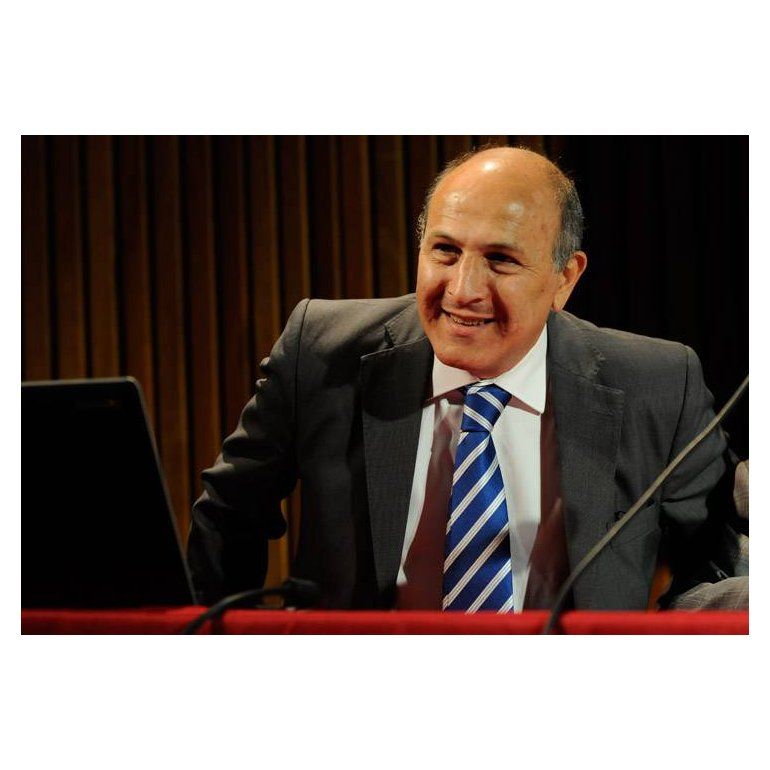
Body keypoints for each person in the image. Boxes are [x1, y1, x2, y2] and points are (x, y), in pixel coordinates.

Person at [187, 146, 740, 611]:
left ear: (564, 278)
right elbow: (227, 519)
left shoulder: (658, 384)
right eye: (445, 251)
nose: (462, 290)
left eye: (500, 260)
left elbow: (713, 567)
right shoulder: (322, 351)